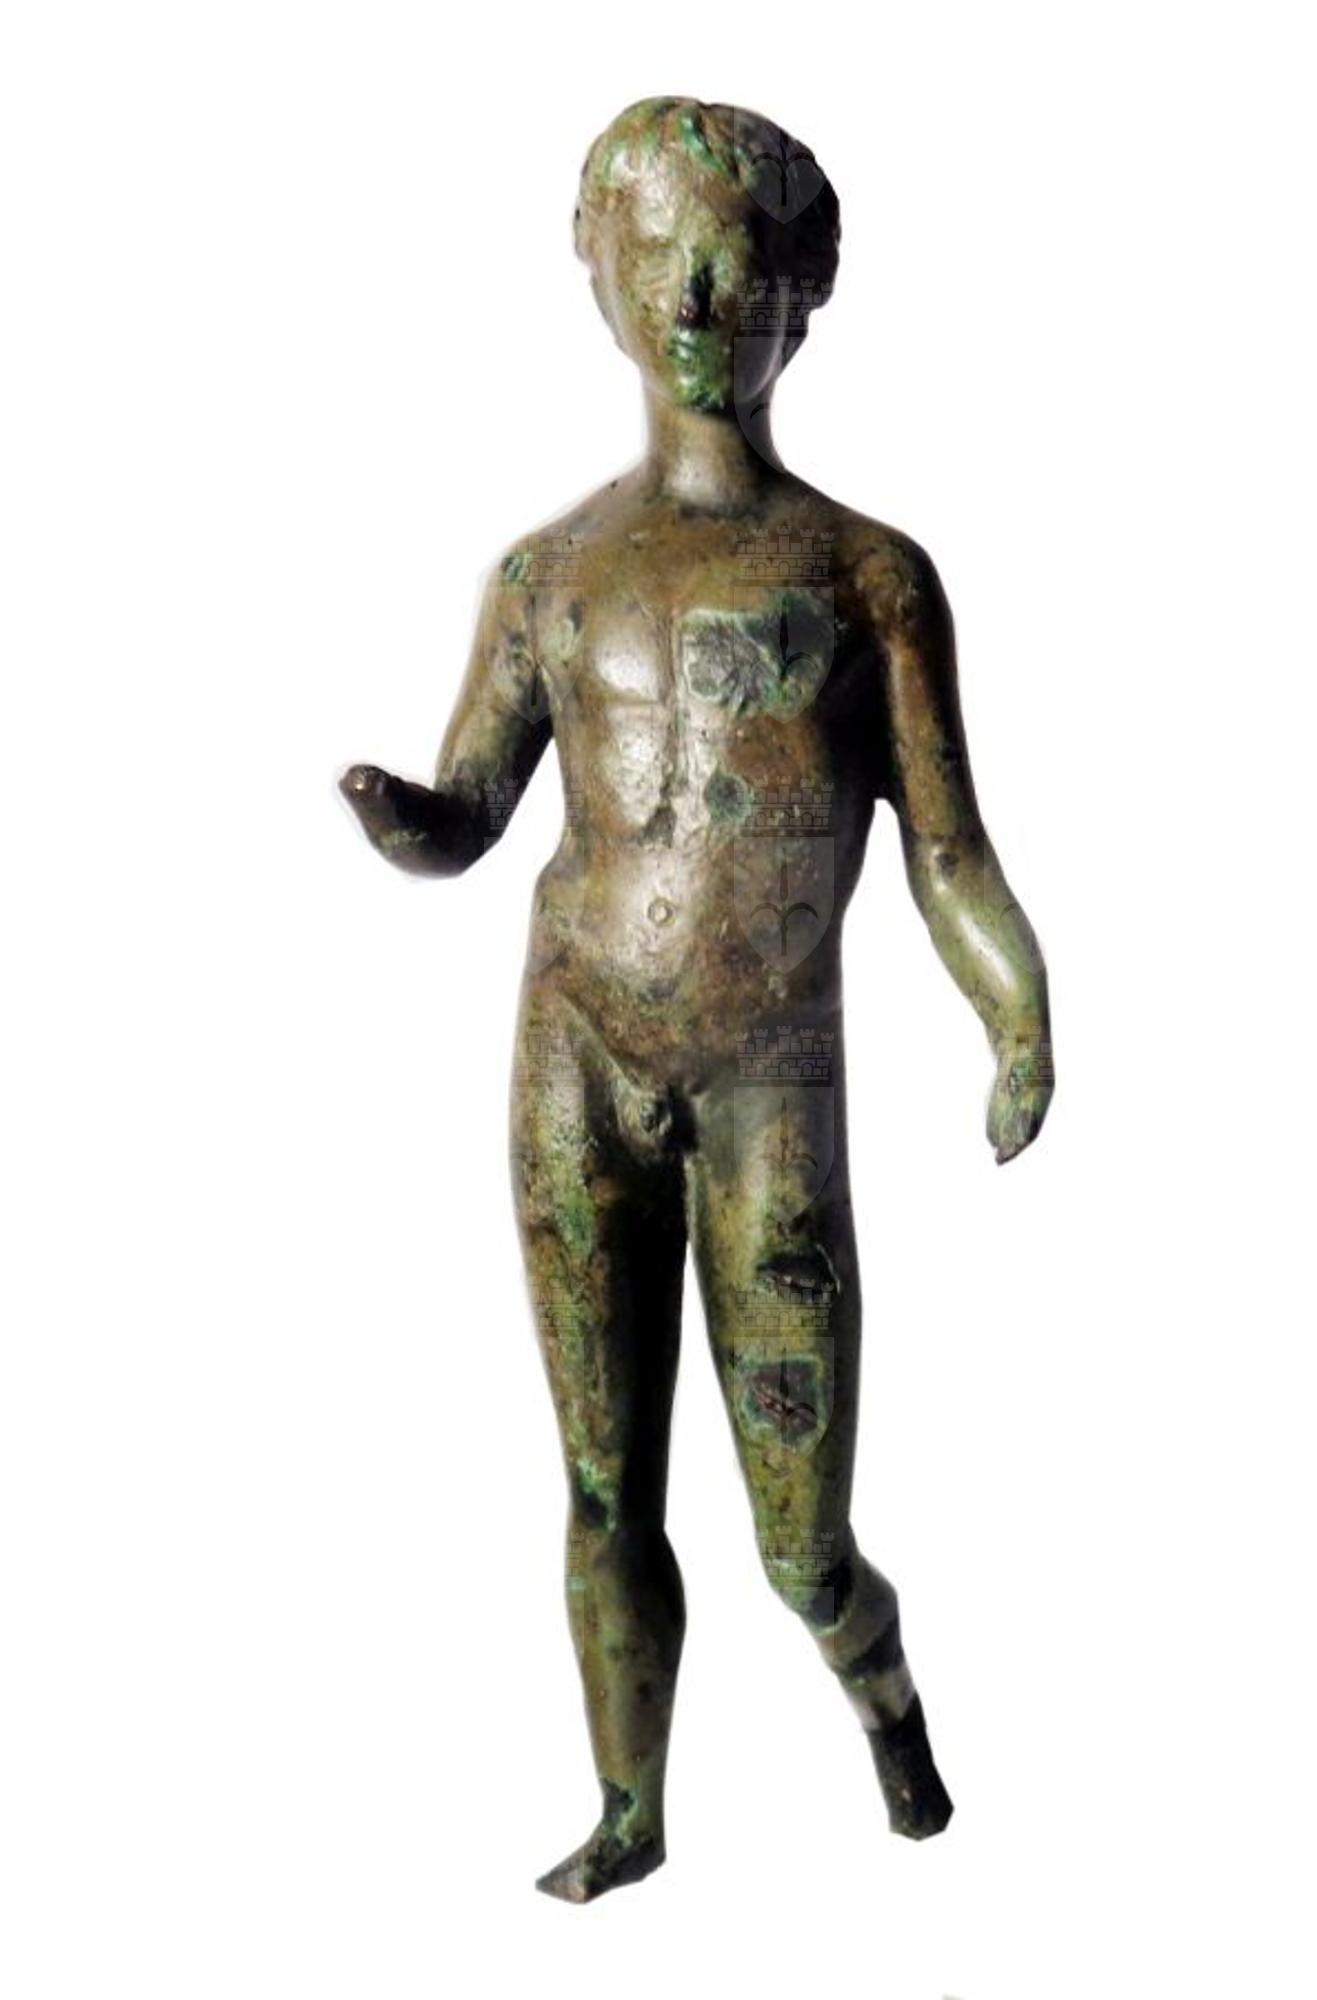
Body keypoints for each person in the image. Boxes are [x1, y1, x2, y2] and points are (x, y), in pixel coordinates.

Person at [342, 96, 1053, 1903]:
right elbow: (476, 810)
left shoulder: (867, 579)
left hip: (767, 1079)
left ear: (806, 291)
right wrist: (405, 821)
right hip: (575, 1050)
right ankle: (631, 1812)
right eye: (659, 250)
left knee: (799, 1545)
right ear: (596, 274)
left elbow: (948, 853)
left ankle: (882, 1704)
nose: (698, 291)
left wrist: (1017, 1015)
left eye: (736, 257)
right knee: (600, 1488)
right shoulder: (548, 577)